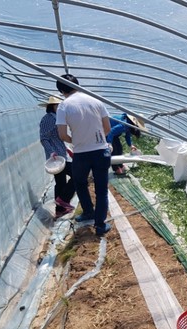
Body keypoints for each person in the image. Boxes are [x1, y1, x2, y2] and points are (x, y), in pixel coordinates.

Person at [55, 74, 113, 236]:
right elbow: (107, 128)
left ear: (61, 90)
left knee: (80, 183)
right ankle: (100, 226)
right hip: (101, 151)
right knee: (101, 190)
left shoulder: (63, 106)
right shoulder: (96, 101)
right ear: (78, 85)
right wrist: (96, 139)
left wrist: (76, 141)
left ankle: (88, 211)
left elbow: (62, 134)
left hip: (81, 154)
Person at [39, 96, 75, 219]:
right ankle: (63, 200)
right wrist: (51, 152)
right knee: (77, 174)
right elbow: (44, 138)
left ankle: (60, 209)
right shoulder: (48, 119)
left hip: (61, 154)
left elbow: (57, 137)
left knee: (60, 182)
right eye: (60, 106)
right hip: (56, 157)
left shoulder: (55, 118)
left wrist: (67, 149)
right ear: (54, 107)